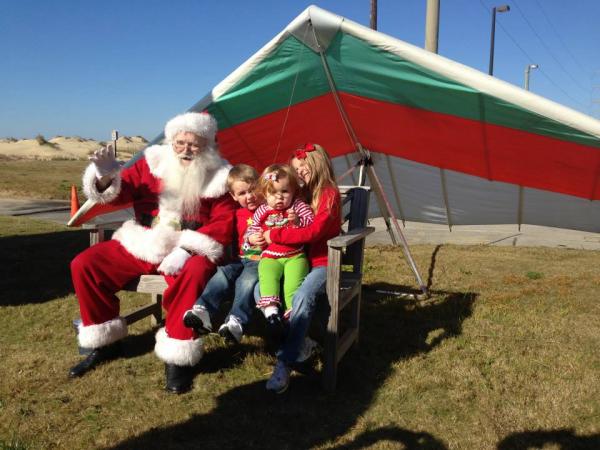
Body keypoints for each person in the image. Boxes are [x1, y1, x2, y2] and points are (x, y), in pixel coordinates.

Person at [69, 112, 236, 394]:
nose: (185, 150)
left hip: (188, 248)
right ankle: (105, 343)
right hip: (145, 241)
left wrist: (185, 249)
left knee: (195, 272)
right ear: (171, 141)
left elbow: (225, 221)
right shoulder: (152, 162)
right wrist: (104, 176)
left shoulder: (221, 175)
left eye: (194, 144)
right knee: (86, 264)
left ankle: (179, 358)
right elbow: (119, 194)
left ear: (207, 144)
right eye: (180, 143)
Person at [261, 143, 341, 393]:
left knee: (303, 296)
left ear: (317, 164)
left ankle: (284, 362)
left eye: (303, 167)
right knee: (261, 290)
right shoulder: (301, 196)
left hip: (325, 262)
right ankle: (302, 342)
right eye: (296, 169)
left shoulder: (328, 193)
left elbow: (314, 231)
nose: (299, 173)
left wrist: (275, 235)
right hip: (297, 260)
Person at [182, 164, 262, 344]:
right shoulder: (237, 214)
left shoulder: (269, 210)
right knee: (223, 273)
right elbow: (222, 230)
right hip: (239, 258)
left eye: (252, 190)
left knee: (246, 280)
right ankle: (203, 310)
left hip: (260, 260)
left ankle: (236, 320)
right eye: (242, 194)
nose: (249, 196)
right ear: (233, 196)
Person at [248, 164, 314, 331]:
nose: (279, 198)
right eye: (273, 193)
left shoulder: (297, 207)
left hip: (295, 255)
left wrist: (298, 221)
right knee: (267, 275)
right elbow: (253, 228)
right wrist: (252, 238)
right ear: (264, 194)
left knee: (293, 284)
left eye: (284, 192)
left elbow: (312, 223)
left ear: (293, 192)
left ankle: (292, 315)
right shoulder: (262, 210)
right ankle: (271, 311)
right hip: (270, 256)